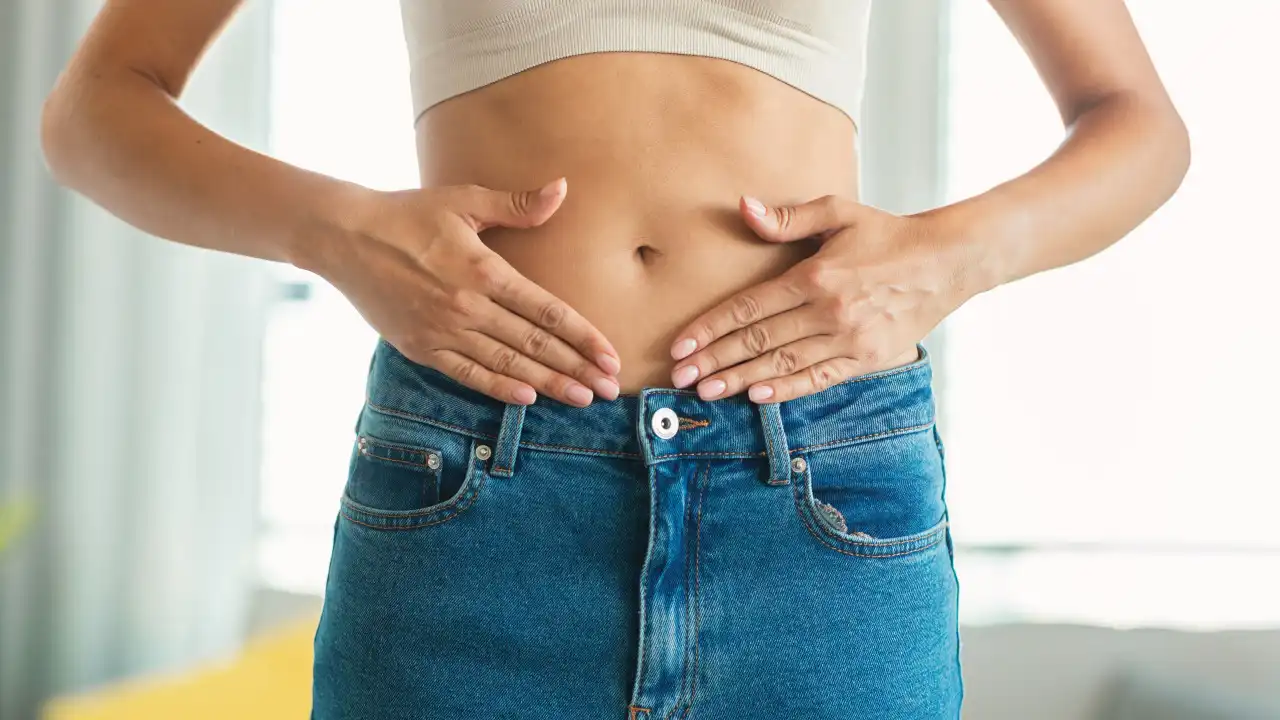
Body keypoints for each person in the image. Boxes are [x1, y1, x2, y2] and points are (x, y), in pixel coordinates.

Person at [40, 1, 1189, 718]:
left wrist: (948, 259)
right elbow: (97, 109)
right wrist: (335, 231)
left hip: (811, 488)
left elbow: (1132, 118)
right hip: (479, 476)